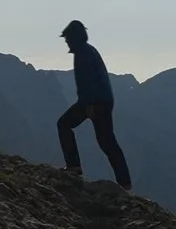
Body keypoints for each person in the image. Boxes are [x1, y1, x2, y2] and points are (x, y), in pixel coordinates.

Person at [55, 19, 131, 190]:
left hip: (94, 102)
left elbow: (87, 81)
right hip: (103, 100)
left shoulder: (83, 53)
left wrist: (88, 105)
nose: (66, 41)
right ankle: (124, 182)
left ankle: (74, 167)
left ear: (74, 38)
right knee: (107, 141)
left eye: (67, 38)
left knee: (64, 124)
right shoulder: (88, 51)